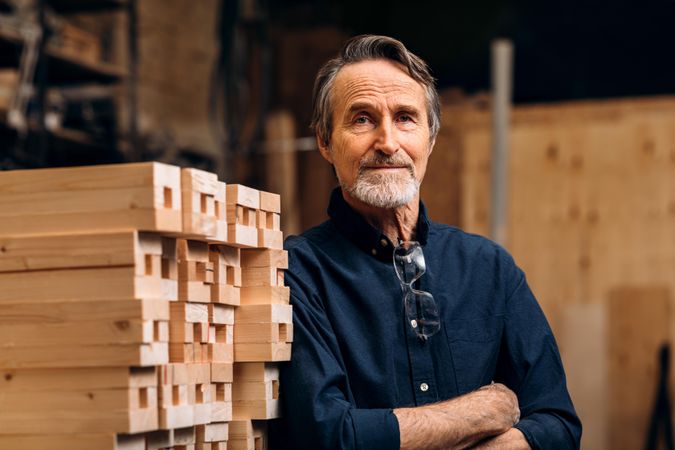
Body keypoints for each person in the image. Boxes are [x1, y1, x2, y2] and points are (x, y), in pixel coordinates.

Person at [270, 34, 581, 450]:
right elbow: (330, 436)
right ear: (325, 142)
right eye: (362, 119)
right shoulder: (295, 270)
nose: (387, 142)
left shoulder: (490, 268)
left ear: (430, 139)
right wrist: (481, 411)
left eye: (405, 118)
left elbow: (559, 426)